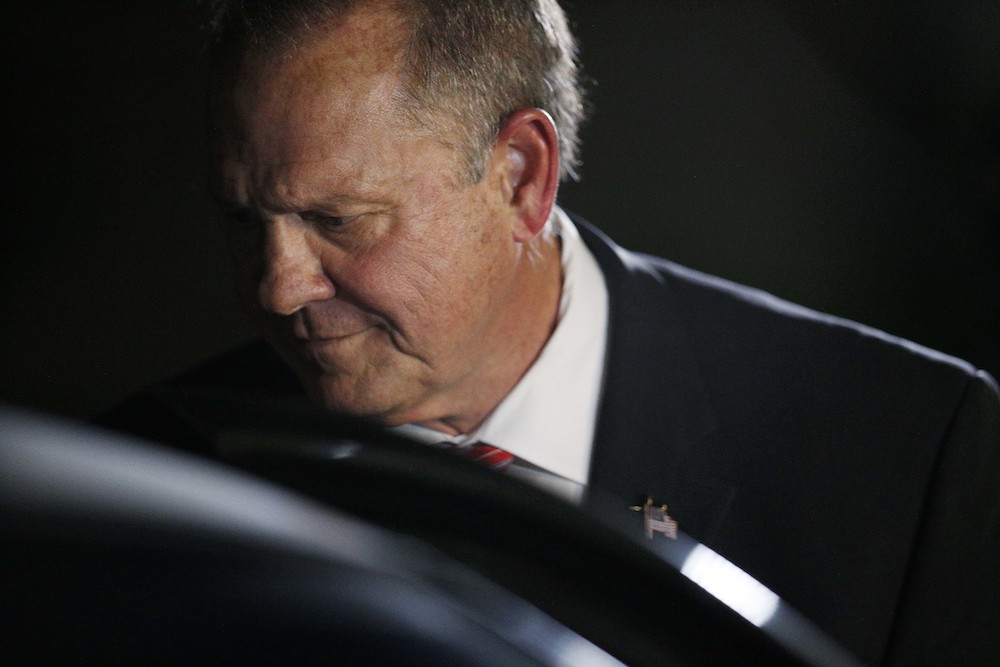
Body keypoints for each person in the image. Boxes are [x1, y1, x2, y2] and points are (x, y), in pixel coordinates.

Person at [100, 1, 999, 664]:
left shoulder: (913, 456)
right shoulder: (140, 478)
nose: (279, 283)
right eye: (243, 220)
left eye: (339, 220)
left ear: (523, 176)